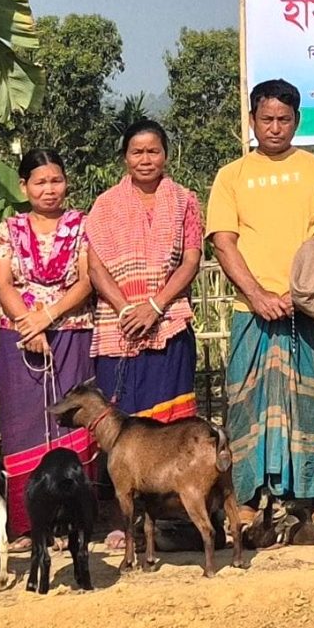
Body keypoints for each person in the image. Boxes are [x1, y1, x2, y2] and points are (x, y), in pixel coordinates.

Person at [208, 78, 314, 505]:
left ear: (297, 121)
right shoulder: (231, 176)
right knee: (248, 402)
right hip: (250, 310)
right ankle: (249, 499)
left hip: (306, 311)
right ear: (251, 120)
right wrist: (257, 295)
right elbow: (223, 241)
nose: (274, 128)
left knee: (311, 404)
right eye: (266, 119)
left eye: (283, 119)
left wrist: (303, 292)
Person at [0, 149, 95, 524]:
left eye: (56, 180)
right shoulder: (8, 229)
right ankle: (28, 517)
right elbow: (2, 282)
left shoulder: (84, 225)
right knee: (25, 425)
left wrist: (48, 316)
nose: (49, 190)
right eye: (40, 182)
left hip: (72, 332)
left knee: (71, 418)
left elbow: (87, 280)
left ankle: (77, 515)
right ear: (24, 186)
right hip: (18, 338)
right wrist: (28, 324)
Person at [88, 120, 205, 429]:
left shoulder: (185, 201)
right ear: (125, 158)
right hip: (119, 325)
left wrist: (154, 306)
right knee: (120, 425)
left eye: (153, 151)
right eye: (137, 152)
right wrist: (127, 309)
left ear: (165, 155)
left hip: (169, 324)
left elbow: (191, 260)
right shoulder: (104, 205)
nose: (145, 159)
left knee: (172, 428)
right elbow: (96, 267)